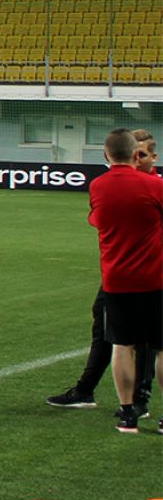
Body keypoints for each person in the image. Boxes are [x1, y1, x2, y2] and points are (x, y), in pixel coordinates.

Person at [49, 128, 158, 413]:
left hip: (147, 273)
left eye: (144, 154)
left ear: (151, 157)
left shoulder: (149, 185)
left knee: (143, 342)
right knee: (104, 331)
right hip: (123, 274)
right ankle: (87, 390)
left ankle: (138, 400)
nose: (139, 159)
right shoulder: (122, 185)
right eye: (137, 153)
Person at [87, 127, 163, 435]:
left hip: (116, 279)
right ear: (135, 154)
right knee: (160, 349)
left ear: (106, 155)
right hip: (155, 277)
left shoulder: (97, 186)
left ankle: (127, 414)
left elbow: (97, 220)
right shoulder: (154, 186)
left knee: (121, 345)